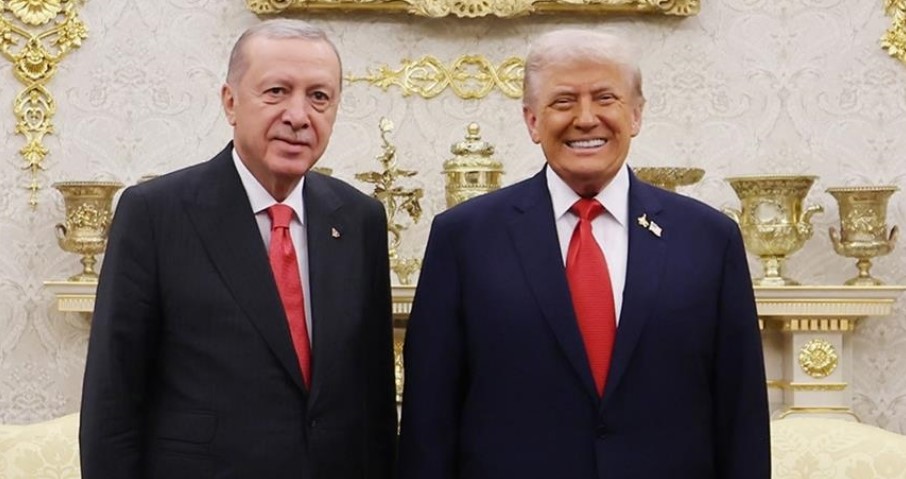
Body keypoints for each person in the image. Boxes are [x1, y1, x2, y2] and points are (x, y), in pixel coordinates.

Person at [397, 29, 770, 479]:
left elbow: (741, 413)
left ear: (636, 114)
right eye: (563, 101)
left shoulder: (709, 239)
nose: (586, 118)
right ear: (532, 121)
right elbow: (429, 419)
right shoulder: (464, 238)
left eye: (605, 98)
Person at [79, 19, 397, 479]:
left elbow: (375, 399)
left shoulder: (359, 219)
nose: (298, 115)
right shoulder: (156, 213)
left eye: (319, 96)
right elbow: (113, 400)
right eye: (276, 92)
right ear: (230, 102)